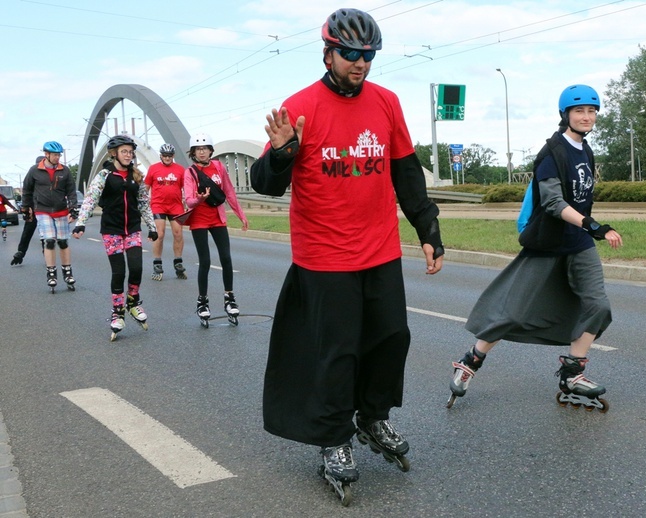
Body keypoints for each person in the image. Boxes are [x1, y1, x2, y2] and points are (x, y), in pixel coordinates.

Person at [250, 7, 444, 496]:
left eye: (368, 56)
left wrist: (427, 227)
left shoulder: (386, 102)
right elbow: (265, 184)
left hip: (379, 248)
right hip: (324, 256)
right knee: (337, 353)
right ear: (328, 52)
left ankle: (372, 417)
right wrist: (280, 153)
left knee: (390, 339)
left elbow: (405, 170)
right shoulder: (300, 108)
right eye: (351, 54)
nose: (360, 63)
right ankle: (334, 438)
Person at [447, 84, 623, 412]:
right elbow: (555, 203)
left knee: (598, 307)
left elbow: (580, 200)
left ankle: (573, 373)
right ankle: (470, 360)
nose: (587, 117)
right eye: (579, 111)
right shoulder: (552, 152)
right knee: (512, 311)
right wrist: (594, 226)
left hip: (579, 244)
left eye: (591, 111)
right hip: (549, 243)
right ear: (565, 115)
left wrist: (588, 228)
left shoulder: (585, 150)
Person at [72, 135, 158, 340]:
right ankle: (118, 312)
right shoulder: (104, 175)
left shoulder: (136, 176)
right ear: (114, 154)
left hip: (133, 229)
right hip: (111, 230)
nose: (128, 155)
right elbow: (90, 199)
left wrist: (152, 227)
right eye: (124, 151)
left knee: (136, 267)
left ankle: (133, 300)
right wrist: (81, 222)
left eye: (130, 152)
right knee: (119, 272)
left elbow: (144, 203)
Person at [182, 133, 248, 327]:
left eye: (205, 148)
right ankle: (202, 301)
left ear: (211, 150)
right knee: (205, 261)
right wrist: (200, 198)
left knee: (226, 258)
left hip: (218, 219)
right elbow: (189, 200)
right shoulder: (190, 173)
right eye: (198, 149)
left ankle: (230, 298)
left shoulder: (219, 167)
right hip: (199, 221)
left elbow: (228, 192)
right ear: (193, 152)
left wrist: (241, 215)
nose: (202, 152)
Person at [21, 142, 78, 291]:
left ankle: (67, 272)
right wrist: (26, 208)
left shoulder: (64, 171)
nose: (57, 158)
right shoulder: (34, 170)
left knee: (63, 242)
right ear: (46, 154)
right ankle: (51, 273)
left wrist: (73, 209)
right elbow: (27, 190)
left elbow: (71, 191)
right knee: (49, 241)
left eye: (59, 155)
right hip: (43, 210)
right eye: (55, 155)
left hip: (61, 210)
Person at [145, 143, 187, 281]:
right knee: (160, 233)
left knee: (178, 233)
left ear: (173, 156)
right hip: (158, 205)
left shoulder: (180, 170)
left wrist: (188, 202)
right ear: (161, 156)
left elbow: (186, 188)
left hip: (175, 206)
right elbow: (145, 188)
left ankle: (178, 262)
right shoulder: (153, 169)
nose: (167, 158)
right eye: (165, 156)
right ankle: (157, 263)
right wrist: (141, 204)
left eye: (169, 156)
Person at [11, 157, 42, 266]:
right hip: (37, 208)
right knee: (44, 232)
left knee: (28, 232)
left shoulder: (34, 173)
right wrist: (25, 209)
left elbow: (26, 192)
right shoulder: (34, 173)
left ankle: (21, 252)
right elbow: (26, 192)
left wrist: (25, 208)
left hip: (37, 208)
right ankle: (45, 251)